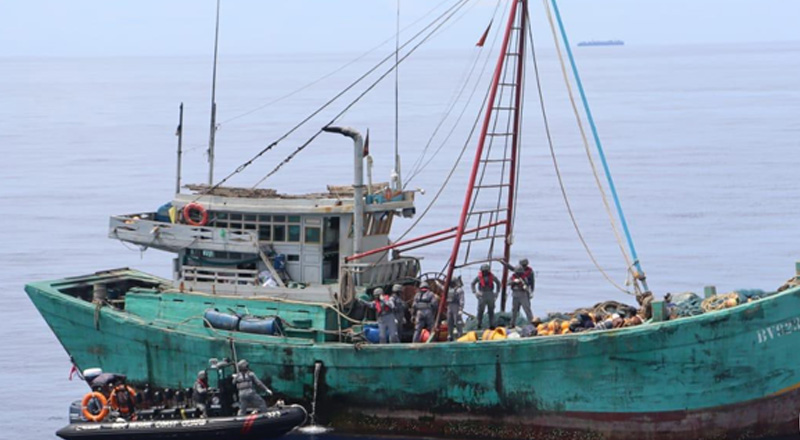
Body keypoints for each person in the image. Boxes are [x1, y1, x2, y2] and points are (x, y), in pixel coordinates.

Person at [471, 264, 500, 329]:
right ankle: (479, 324)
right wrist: (475, 292)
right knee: (480, 311)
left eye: (486, 271)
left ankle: (492, 325)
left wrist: (497, 292)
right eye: (484, 271)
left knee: (491, 311)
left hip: (490, 294)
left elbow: (498, 283)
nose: (485, 272)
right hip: (482, 294)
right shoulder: (479, 277)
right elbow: (473, 283)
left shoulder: (492, 276)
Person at [446, 276, 465, 341]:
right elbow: (443, 288)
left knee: (457, 322)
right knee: (449, 322)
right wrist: (437, 284)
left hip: (456, 306)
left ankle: (460, 335)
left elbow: (461, 300)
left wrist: (460, 309)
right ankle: (450, 335)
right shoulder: (448, 289)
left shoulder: (459, 290)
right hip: (449, 306)